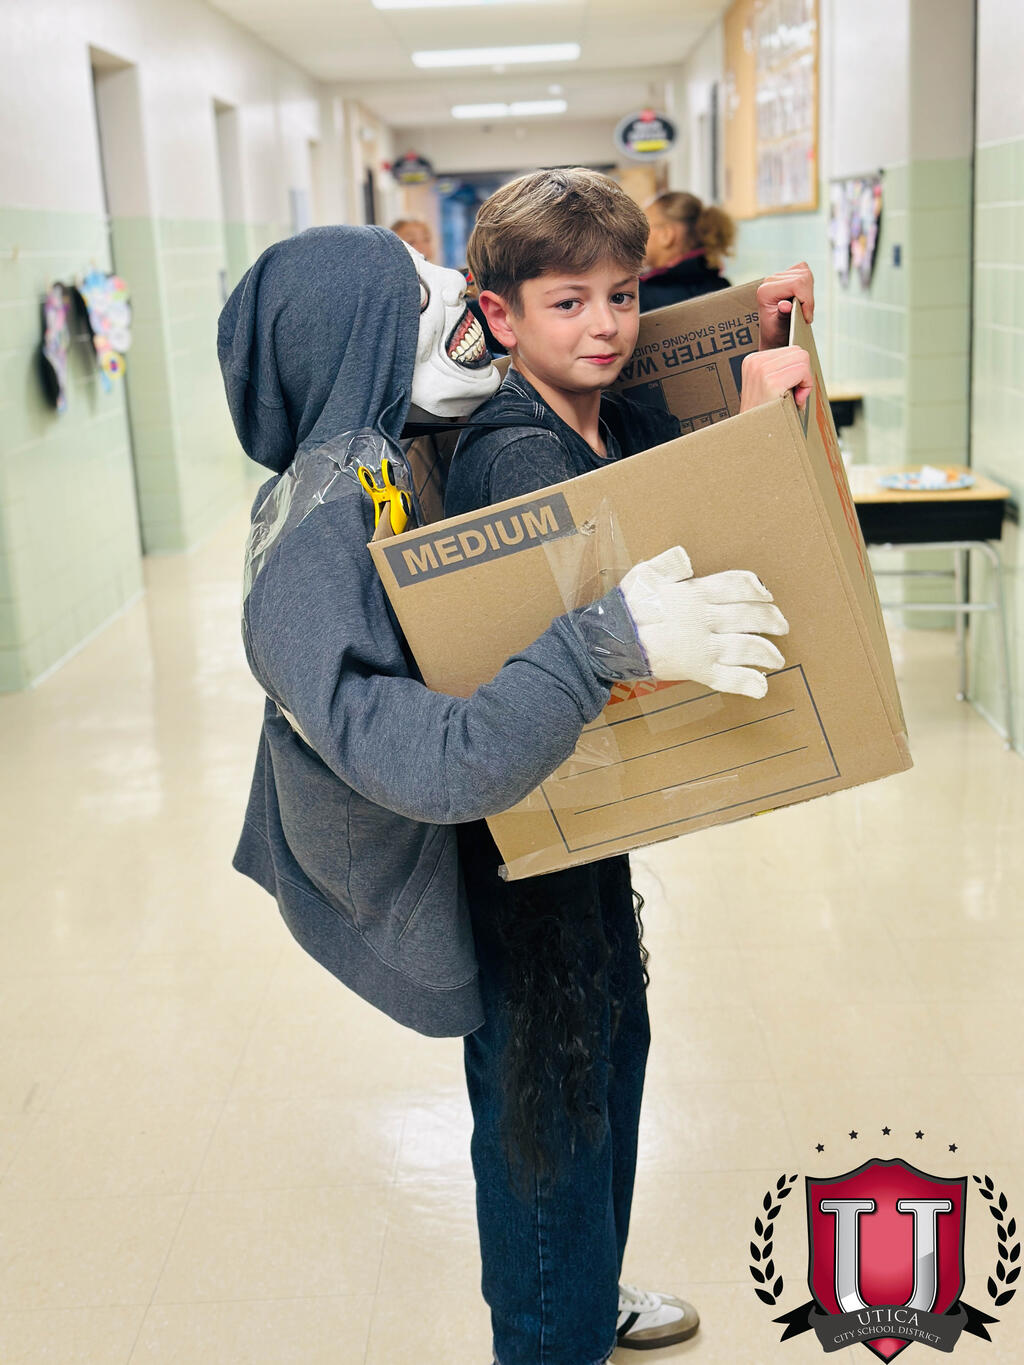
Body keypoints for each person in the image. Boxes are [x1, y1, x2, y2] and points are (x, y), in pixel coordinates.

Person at [446, 167, 814, 1365]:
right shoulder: (518, 457)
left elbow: (690, 501)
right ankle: (551, 1336)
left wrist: (761, 351)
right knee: (550, 1099)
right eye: (566, 303)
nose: (604, 326)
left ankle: (583, 1296)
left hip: (582, 823)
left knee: (608, 1057)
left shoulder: (601, 419)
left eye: (621, 295)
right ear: (499, 316)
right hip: (524, 834)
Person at [638, 190, 737, 312]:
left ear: (666, 235)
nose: (635, 235)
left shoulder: (642, 295)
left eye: (641, 226)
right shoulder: (722, 286)